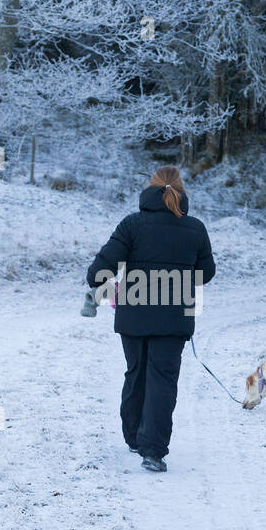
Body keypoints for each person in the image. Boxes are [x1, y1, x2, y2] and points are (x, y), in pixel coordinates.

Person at [86, 166, 215, 472]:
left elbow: (100, 271)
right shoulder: (195, 228)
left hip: (134, 312)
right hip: (174, 315)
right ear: (181, 192)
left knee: (136, 372)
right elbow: (206, 273)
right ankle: (153, 451)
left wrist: (102, 286)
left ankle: (133, 437)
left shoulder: (132, 224)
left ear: (151, 188)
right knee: (163, 380)